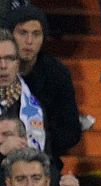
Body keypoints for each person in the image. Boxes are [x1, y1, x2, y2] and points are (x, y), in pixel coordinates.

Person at [6, 5, 82, 160]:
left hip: (42, 157)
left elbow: (70, 131)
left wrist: (35, 141)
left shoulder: (56, 73)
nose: (29, 41)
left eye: (36, 34)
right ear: (10, 35)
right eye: (22, 33)